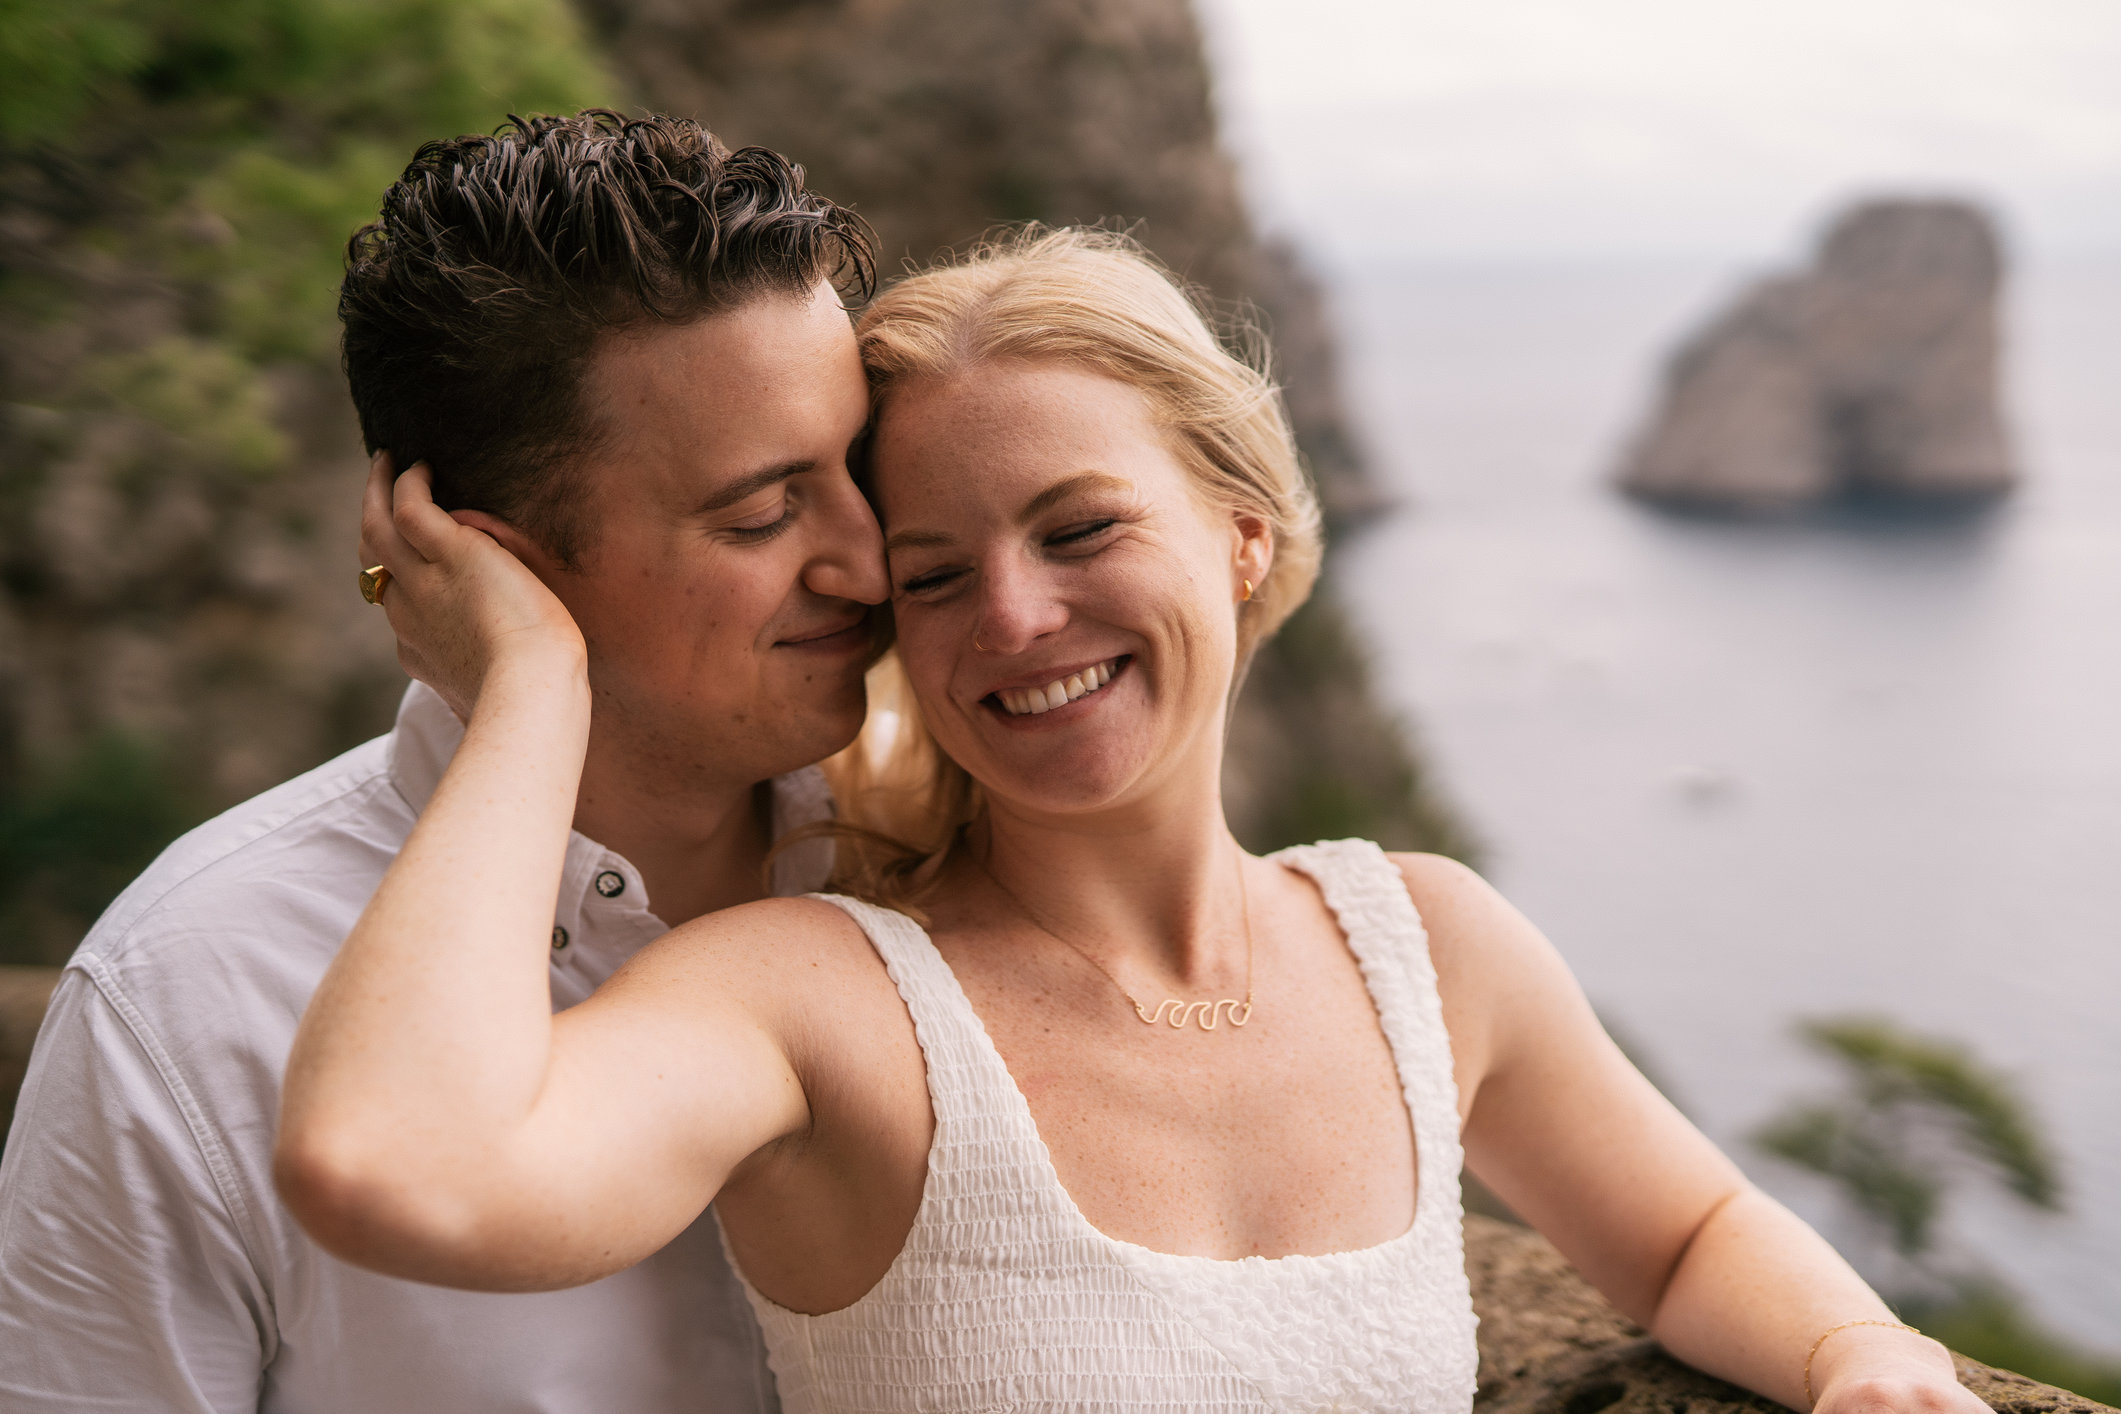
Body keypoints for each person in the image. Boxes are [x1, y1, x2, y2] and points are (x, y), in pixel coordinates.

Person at [277, 229, 1987, 1414]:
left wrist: (1851, 1348)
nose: (1013, 618)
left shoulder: (1425, 942)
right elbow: (390, 1165)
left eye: (1079, 528)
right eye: (932, 575)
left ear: (1239, 535)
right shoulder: (814, 996)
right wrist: (529, 687)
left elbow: (1683, 1232)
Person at [0, 111, 885, 1412]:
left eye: (861, 466)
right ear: (494, 562)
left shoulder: (951, 863)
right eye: (760, 512)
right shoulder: (187, 1000)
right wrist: (538, 685)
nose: (868, 563)